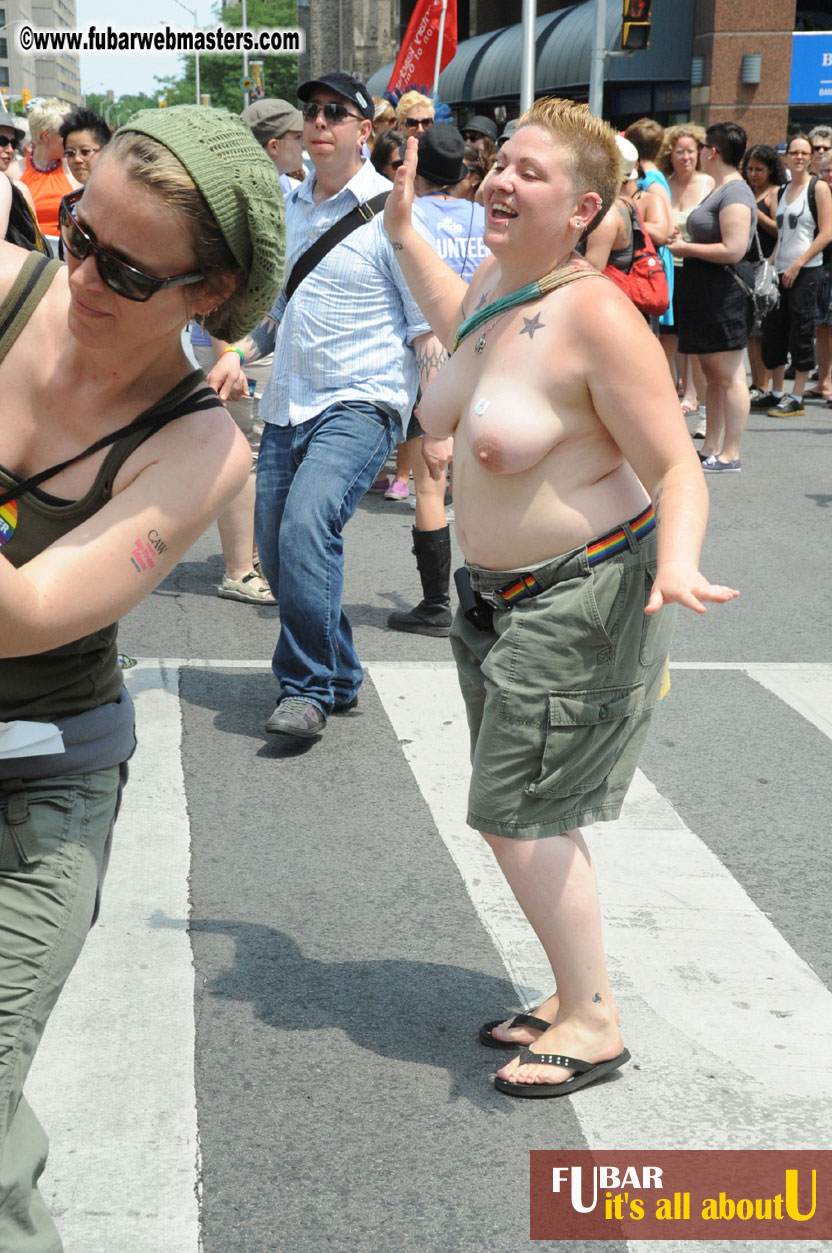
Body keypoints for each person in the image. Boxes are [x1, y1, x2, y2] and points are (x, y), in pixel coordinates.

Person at [383, 95, 738, 1097]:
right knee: (528, 806)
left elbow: (676, 467)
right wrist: (406, 231)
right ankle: (565, 990)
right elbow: (463, 326)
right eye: (502, 164)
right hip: (493, 594)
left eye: (528, 173)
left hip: (580, 591)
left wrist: (676, 562)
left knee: (518, 811)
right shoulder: (503, 280)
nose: (499, 179)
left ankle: (591, 1017)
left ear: (581, 206)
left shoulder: (595, 315)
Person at [0, 103, 284, 1248]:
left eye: (123, 265)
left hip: (36, 797)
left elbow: (22, 615)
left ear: (206, 293)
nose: (82, 275)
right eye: (76, 234)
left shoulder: (201, 444)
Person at [207, 72, 437, 739]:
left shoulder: (391, 209)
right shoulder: (292, 207)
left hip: (363, 401)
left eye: (336, 112)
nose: (319, 121)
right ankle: (339, 671)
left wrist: (436, 419)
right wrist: (234, 352)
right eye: (312, 111)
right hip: (288, 400)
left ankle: (305, 687)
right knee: (277, 554)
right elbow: (276, 310)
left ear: (365, 132)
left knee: (308, 526)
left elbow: (424, 324)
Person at [388, 123, 488, 637]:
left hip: (433, 357)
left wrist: (431, 415)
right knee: (481, 485)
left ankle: (434, 604)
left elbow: (424, 325)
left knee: (431, 485)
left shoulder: (406, 216)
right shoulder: (481, 215)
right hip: (487, 354)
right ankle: (492, 595)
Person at [668, 121, 757, 473]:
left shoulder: (734, 191)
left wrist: (685, 247)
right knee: (712, 369)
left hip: (726, 292)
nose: (699, 152)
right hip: (707, 291)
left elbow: (734, 249)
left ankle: (730, 453)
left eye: (703, 146)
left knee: (729, 374)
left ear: (712, 151)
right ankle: (711, 446)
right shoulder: (721, 187)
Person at [761, 132, 832, 418]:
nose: (800, 157)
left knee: (802, 331)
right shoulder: (782, 190)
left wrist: (798, 264)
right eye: (795, 152)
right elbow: (785, 233)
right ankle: (777, 391)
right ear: (786, 156)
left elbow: (826, 233)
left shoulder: (819, 189)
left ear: (812, 157)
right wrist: (773, 260)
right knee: (775, 331)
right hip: (780, 270)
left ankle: (797, 395)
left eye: (805, 153)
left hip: (807, 271)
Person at [657, 122, 714, 425]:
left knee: (694, 343)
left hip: (696, 270)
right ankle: (672, 400)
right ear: (670, 154)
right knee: (668, 341)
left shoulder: (708, 184)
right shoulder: (662, 183)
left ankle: (701, 404)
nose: (685, 157)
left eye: (691, 151)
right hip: (666, 271)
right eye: (679, 151)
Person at [740, 143, 786, 409]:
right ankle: (756, 382)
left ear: (771, 170)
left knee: (763, 330)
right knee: (750, 331)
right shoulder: (746, 191)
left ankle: (764, 384)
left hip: (765, 265)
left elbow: (778, 230)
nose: (754, 174)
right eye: (750, 169)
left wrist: (755, 211)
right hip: (745, 264)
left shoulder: (774, 194)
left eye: (759, 169)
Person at [19, 98, 76, 242]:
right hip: (29, 256)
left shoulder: (76, 170)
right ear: (46, 136)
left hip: (66, 256)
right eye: (65, 134)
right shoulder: (13, 172)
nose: (72, 139)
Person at [0, 108, 46, 254]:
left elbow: (37, 247)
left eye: (13, 144)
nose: (10, 150)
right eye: (2, 142)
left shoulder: (18, 188)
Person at [242, 97, 305, 196]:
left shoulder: (293, 188)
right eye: (298, 137)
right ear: (273, 147)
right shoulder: (246, 199)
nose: (304, 145)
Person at [59, 106, 109, 185]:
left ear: (106, 151)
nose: (77, 159)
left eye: (85, 152)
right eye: (70, 153)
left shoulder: (122, 194)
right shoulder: (74, 197)